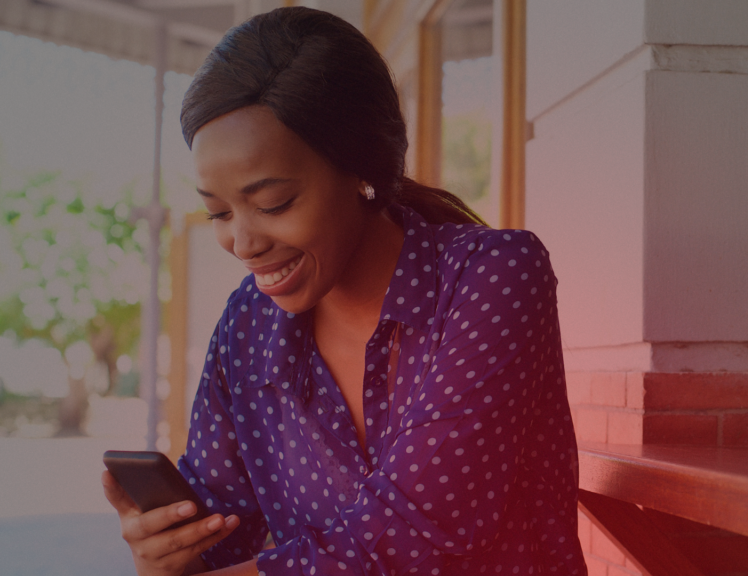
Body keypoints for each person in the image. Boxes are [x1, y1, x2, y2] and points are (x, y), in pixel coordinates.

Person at [100, 6, 585, 576]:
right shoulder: (248, 325)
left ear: (362, 167)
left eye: (273, 203)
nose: (243, 242)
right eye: (218, 212)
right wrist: (167, 555)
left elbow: (422, 534)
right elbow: (225, 533)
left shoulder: (493, 276)